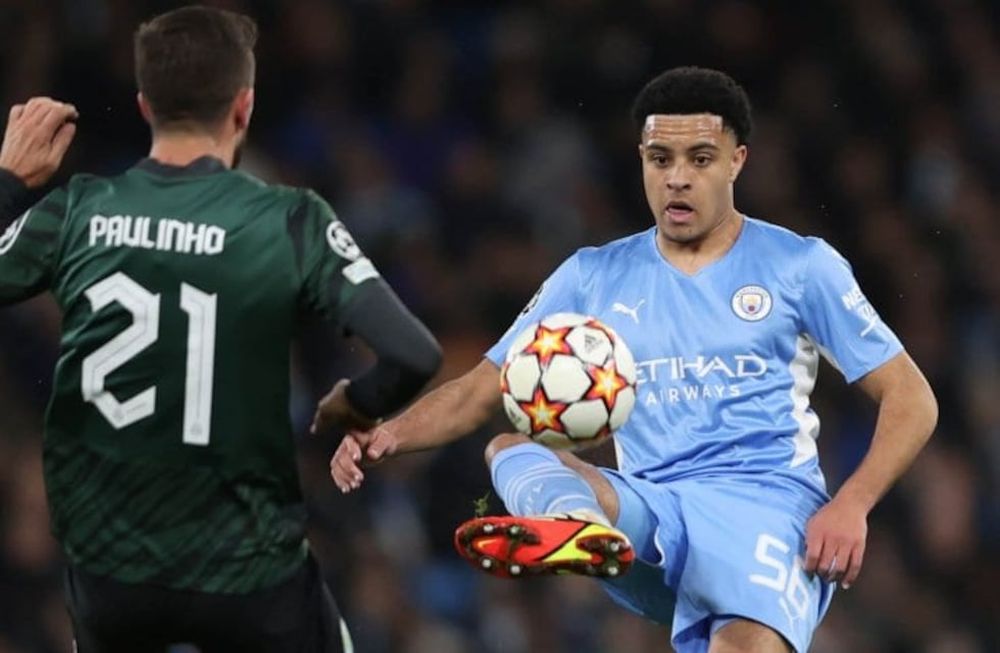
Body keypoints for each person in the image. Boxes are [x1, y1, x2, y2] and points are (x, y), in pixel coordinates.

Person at [330, 66, 938, 653]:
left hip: (767, 512)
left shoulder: (800, 266)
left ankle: (584, 528)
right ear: (641, 162)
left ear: (737, 160)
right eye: (660, 159)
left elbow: (911, 398)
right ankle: (575, 527)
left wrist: (852, 504)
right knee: (509, 449)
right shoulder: (592, 276)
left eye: (700, 159)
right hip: (652, 514)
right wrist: (383, 436)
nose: (677, 178)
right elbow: (477, 390)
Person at [0, 6, 441, 653]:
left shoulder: (78, 210)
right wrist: (353, 402)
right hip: (247, 576)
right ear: (244, 105)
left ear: (145, 104)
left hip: (109, 578)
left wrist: (8, 183)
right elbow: (413, 352)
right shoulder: (288, 220)